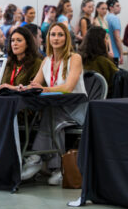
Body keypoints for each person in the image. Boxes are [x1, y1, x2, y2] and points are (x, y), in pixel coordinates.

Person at [24, 22, 87, 185]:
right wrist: (16, 87)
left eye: (60, 34)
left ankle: (38, 158)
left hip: (77, 108)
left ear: (67, 38)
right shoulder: (46, 60)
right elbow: (34, 85)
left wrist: (45, 89)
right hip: (56, 107)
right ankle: (56, 168)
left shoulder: (75, 58)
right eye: (53, 34)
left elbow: (68, 87)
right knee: (52, 114)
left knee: (52, 115)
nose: (56, 38)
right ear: (48, 38)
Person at [106, 0, 123, 66]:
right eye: (117, 6)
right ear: (110, 7)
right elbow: (117, 37)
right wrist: (121, 53)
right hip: (115, 54)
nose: (120, 7)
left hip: (108, 53)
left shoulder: (106, 18)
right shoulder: (114, 19)